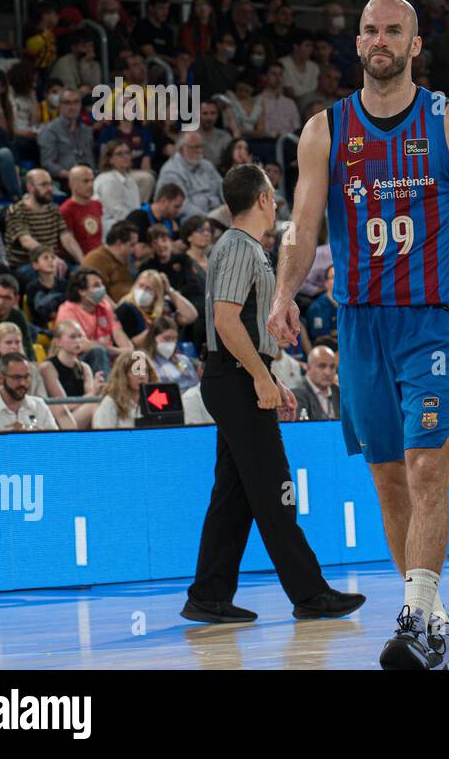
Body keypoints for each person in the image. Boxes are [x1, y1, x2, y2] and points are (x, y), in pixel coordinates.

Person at [265, 0, 449, 671]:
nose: (379, 39)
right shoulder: (324, 129)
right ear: (356, 42)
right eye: (368, 30)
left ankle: (413, 616)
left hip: (433, 324)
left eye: (393, 30)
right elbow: (302, 224)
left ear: (416, 45)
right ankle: (433, 618)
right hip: (359, 324)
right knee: (388, 477)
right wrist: (281, 293)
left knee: (425, 466)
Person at [184, 163, 364, 626]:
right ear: (263, 199)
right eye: (273, 197)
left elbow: (240, 328)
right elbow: (226, 322)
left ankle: (208, 594)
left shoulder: (240, 248)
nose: (277, 203)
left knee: (235, 495)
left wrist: (270, 374)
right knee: (276, 489)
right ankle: (309, 593)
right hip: (236, 378)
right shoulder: (240, 246)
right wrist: (260, 379)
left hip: (239, 374)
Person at [5, 168, 84, 277]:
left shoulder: (53, 209)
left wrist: (83, 261)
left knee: (82, 275)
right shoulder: (17, 210)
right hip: (26, 264)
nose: (50, 189)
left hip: (51, 261)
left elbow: (66, 237)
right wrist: (51, 257)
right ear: (30, 188)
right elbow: (26, 240)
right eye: (44, 185)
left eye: (51, 184)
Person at [55, 267, 132, 371]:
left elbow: (118, 333)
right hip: (80, 361)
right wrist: (116, 352)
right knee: (98, 352)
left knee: (137, 356)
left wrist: (129, 350)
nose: (102, 289)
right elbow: (82, 344)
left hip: (109, 357)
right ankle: (105, 387)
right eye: (96, 285)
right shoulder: (67, 310)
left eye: (102, 284)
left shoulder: (104, 305)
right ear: (82, 291)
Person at [0, 352, 58, 433]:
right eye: (16, 378)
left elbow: (56, 445)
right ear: (0, 378)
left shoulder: (39, 406)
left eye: (26, 377)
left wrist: (39, 437)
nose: (23, 383)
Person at [39, 316, 105, 428]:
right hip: (59, 419)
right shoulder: (48, 367)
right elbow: (62, 405)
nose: (78, 341)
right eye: (73, 337)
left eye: (80, 336)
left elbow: (89, 395)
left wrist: (97, 389)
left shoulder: (84, 367)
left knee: (101, 404)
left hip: (80, 414)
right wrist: (93, 394)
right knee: (94, 406)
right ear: (59, 342)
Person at [117, 267, 197, 345]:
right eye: (140, 286)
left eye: (148, 288)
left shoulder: (165, 308)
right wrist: (156, 328)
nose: (143, 291)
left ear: (157, 294)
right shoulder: (126, 309)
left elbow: (190, 316)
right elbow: (130, 344)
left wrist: (169, 290)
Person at [154, 132, 224, 218]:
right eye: (194, 147)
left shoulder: (207, 165)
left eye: (200, 146)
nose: (199, 151)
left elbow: (222, 187)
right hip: (193, 218)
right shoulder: (171, 171)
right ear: (181, 149)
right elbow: (181, 205)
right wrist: (208, 219)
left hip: (218, 213)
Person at [92, 349, 157, 428]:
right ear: (123, 375)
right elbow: (103, 437)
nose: (142, 376)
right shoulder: (110, 403)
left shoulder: (155, 402)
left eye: (145, 371)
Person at [82, 221, 138, 302]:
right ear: (119, 244)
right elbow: (97, 293)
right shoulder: (96, 260)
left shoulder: (123, 259)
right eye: (132, 245)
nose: (135, 249)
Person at [143, 315, 200, 393]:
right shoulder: (147, 363)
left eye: (174, 338)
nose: (171, 342)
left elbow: (195, 383)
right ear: (153, 337)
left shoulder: (182, 360)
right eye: (166, 338)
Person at [59, 165, 105, 256]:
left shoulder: (97, 204)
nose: (91, 185)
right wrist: (84, 262)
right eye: (85, 181)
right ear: (72, 185)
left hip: (100, 256)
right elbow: (69, 242)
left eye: (92, 180)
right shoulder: (65, 210)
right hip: (81, 261)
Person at [292, 344, 339, 420]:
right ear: (308, 368)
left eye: (332, 367)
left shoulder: (338, 392)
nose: (328, 372)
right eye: (322, 366)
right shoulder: (296, 393)